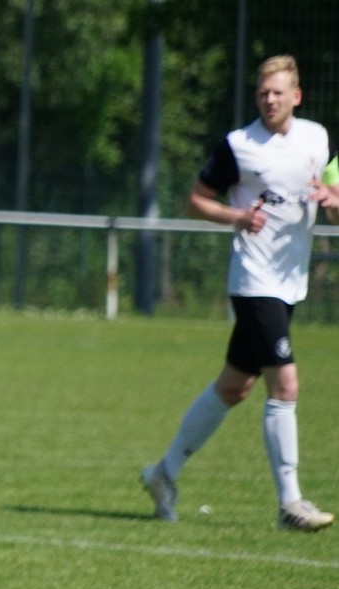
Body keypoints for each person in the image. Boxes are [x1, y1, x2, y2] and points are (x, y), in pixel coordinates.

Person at [141, 55, 337, 531]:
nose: (269, 100)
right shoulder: (239, 146)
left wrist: (334, 200)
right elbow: (195, 200)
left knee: (234, 387)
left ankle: (163, 474)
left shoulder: (317, 139)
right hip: (254, 281)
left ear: (296, 96)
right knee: (285, 385)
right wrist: (237, 217)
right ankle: (290, 504)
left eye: (277, 92)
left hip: (290, 283)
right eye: (262, 92)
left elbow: (333, 206)